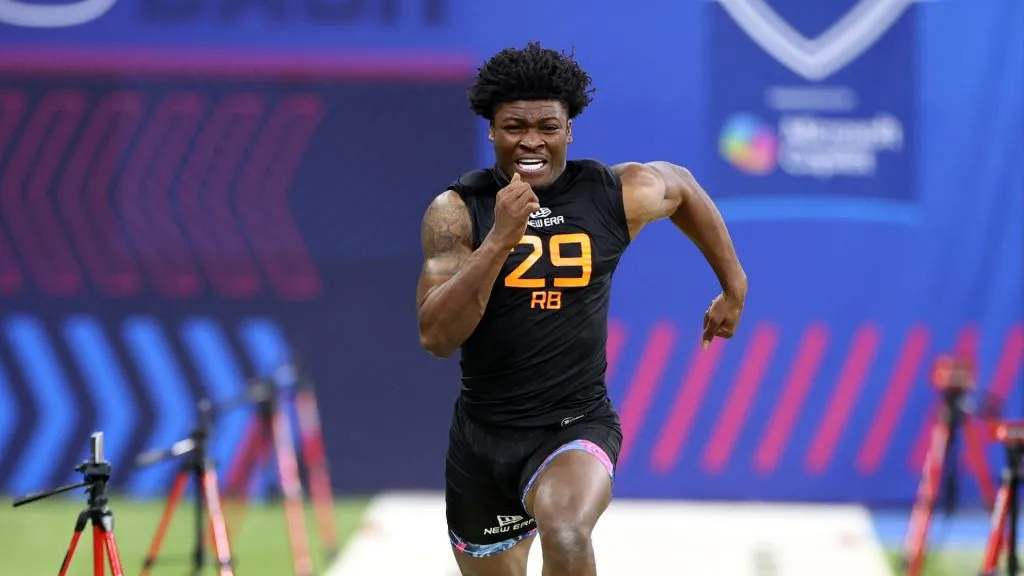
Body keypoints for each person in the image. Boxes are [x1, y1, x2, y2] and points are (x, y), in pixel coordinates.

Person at [416, 41, 747, 576]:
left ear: (569, 129)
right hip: (483, 440)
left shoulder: (614, 193)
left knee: (566, 528)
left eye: (548, 125)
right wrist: (500, 238)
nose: (531, 141)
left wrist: (734, 286)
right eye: (514, 127)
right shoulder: (457, 211)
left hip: (575, 424)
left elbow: (682, 187)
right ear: (492, 132)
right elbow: (436, 337)